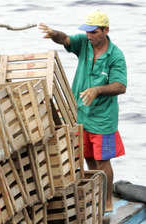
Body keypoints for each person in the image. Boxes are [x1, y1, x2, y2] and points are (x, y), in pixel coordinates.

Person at [39, 10, 127, 213]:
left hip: (103, 118)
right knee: (87, 157)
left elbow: (120, 86)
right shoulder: (84, 44)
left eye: (94, 32)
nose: (89, 36)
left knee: (103, 160)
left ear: (105, 30)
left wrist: (97, 90)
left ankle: (107, 200)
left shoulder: (115, 56)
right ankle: (96, 194)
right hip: (81, 114)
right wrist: (54, 34)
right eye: (87, 31)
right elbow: (66, 39)